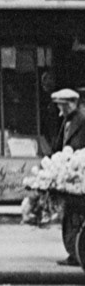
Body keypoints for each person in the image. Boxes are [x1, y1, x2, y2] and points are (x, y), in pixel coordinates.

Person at [48, 88, 85, 265]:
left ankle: (76, 252)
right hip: (68, 173)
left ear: (71, 104)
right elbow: (60, 145)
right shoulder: (67, 121)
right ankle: (74, 251)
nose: (59, 110)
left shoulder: (82, 120)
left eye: (61, 106)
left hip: (79, 173)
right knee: (70, 213)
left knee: (74, 214)